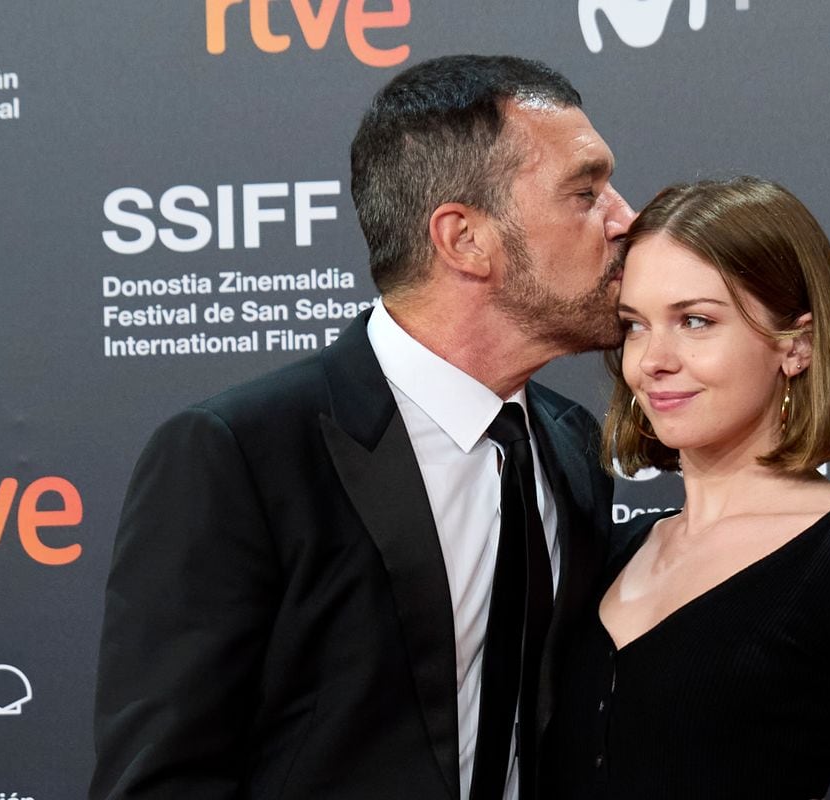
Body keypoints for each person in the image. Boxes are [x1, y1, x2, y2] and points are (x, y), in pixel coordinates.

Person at [90, 55, 635, 800]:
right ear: (464, 239)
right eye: (586, 192)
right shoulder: (242, 455)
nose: (625, 220)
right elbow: (162, 780)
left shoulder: (571, 445)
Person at [545, 177, 830, 799]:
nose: (653, 359)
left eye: (696, 321)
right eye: (634, 325)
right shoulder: (609, 550)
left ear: (797, 345)